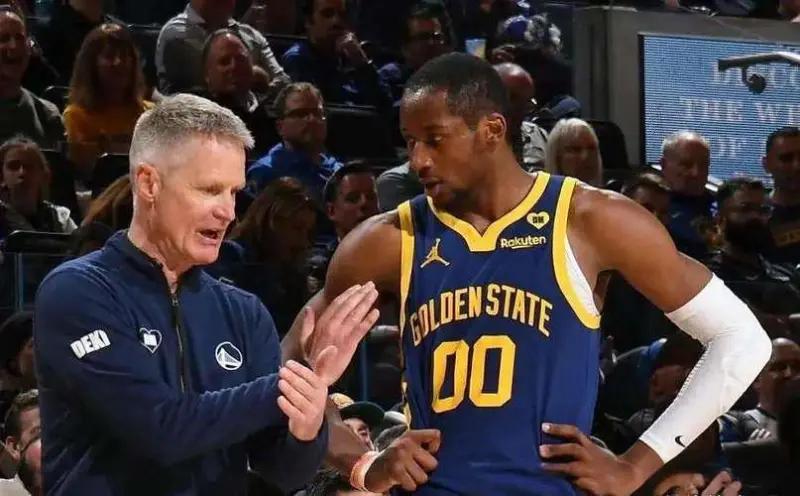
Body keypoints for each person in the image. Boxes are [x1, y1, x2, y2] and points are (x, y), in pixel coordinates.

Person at [281, 53, 772, 495]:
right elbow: (286, 366)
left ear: (492, 130)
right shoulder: (388, 239)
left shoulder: (589, 219)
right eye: (410, 142)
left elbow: (741, 339)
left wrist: (635, 466)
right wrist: (363, 464)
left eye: (434, 140)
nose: (418, 161)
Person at [33, 94, 380, 495]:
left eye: (233, 192)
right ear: (149, 183)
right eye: (210, 190)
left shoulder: (243, 312)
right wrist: (291, 380)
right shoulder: (77, 292)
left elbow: (282, 471)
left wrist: (307, 415)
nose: (228, 212)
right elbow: (160, 428)